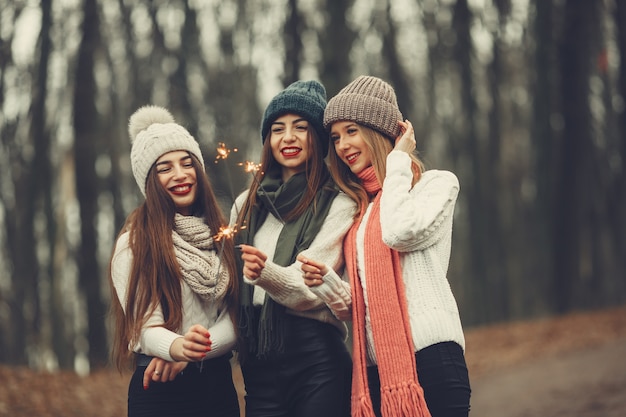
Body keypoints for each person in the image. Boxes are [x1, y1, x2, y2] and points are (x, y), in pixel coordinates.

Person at [298, 75, 471, 417]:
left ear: (378, 131)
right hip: (378, 371)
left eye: (352, 131)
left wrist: (397, 164)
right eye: (335, 137)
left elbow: (398, 231)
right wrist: (327, 282)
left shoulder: (435, 186)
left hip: (433, 357)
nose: (343, 145)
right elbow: (356, 308)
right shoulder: (359, 212)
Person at [230, 80, 357, 417]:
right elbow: (226, 284)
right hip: (257, 362)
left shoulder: (339, 203)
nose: (288, 137)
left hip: (316, 360)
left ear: (317, 138)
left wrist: (265, 272)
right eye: (277, 129)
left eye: (301, 128)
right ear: (267, 140)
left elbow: (310, 288)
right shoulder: (246, 205)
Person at [108, 105, 240, 417]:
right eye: (164, 168)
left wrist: (194, 353)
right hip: (160, 394)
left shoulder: (221, 238)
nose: (180, 175)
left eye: (187, 163)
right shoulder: (135, 245)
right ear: (148, 182)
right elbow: (142, 327)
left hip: (218, 390)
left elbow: (237, 320)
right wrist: (178, 347)